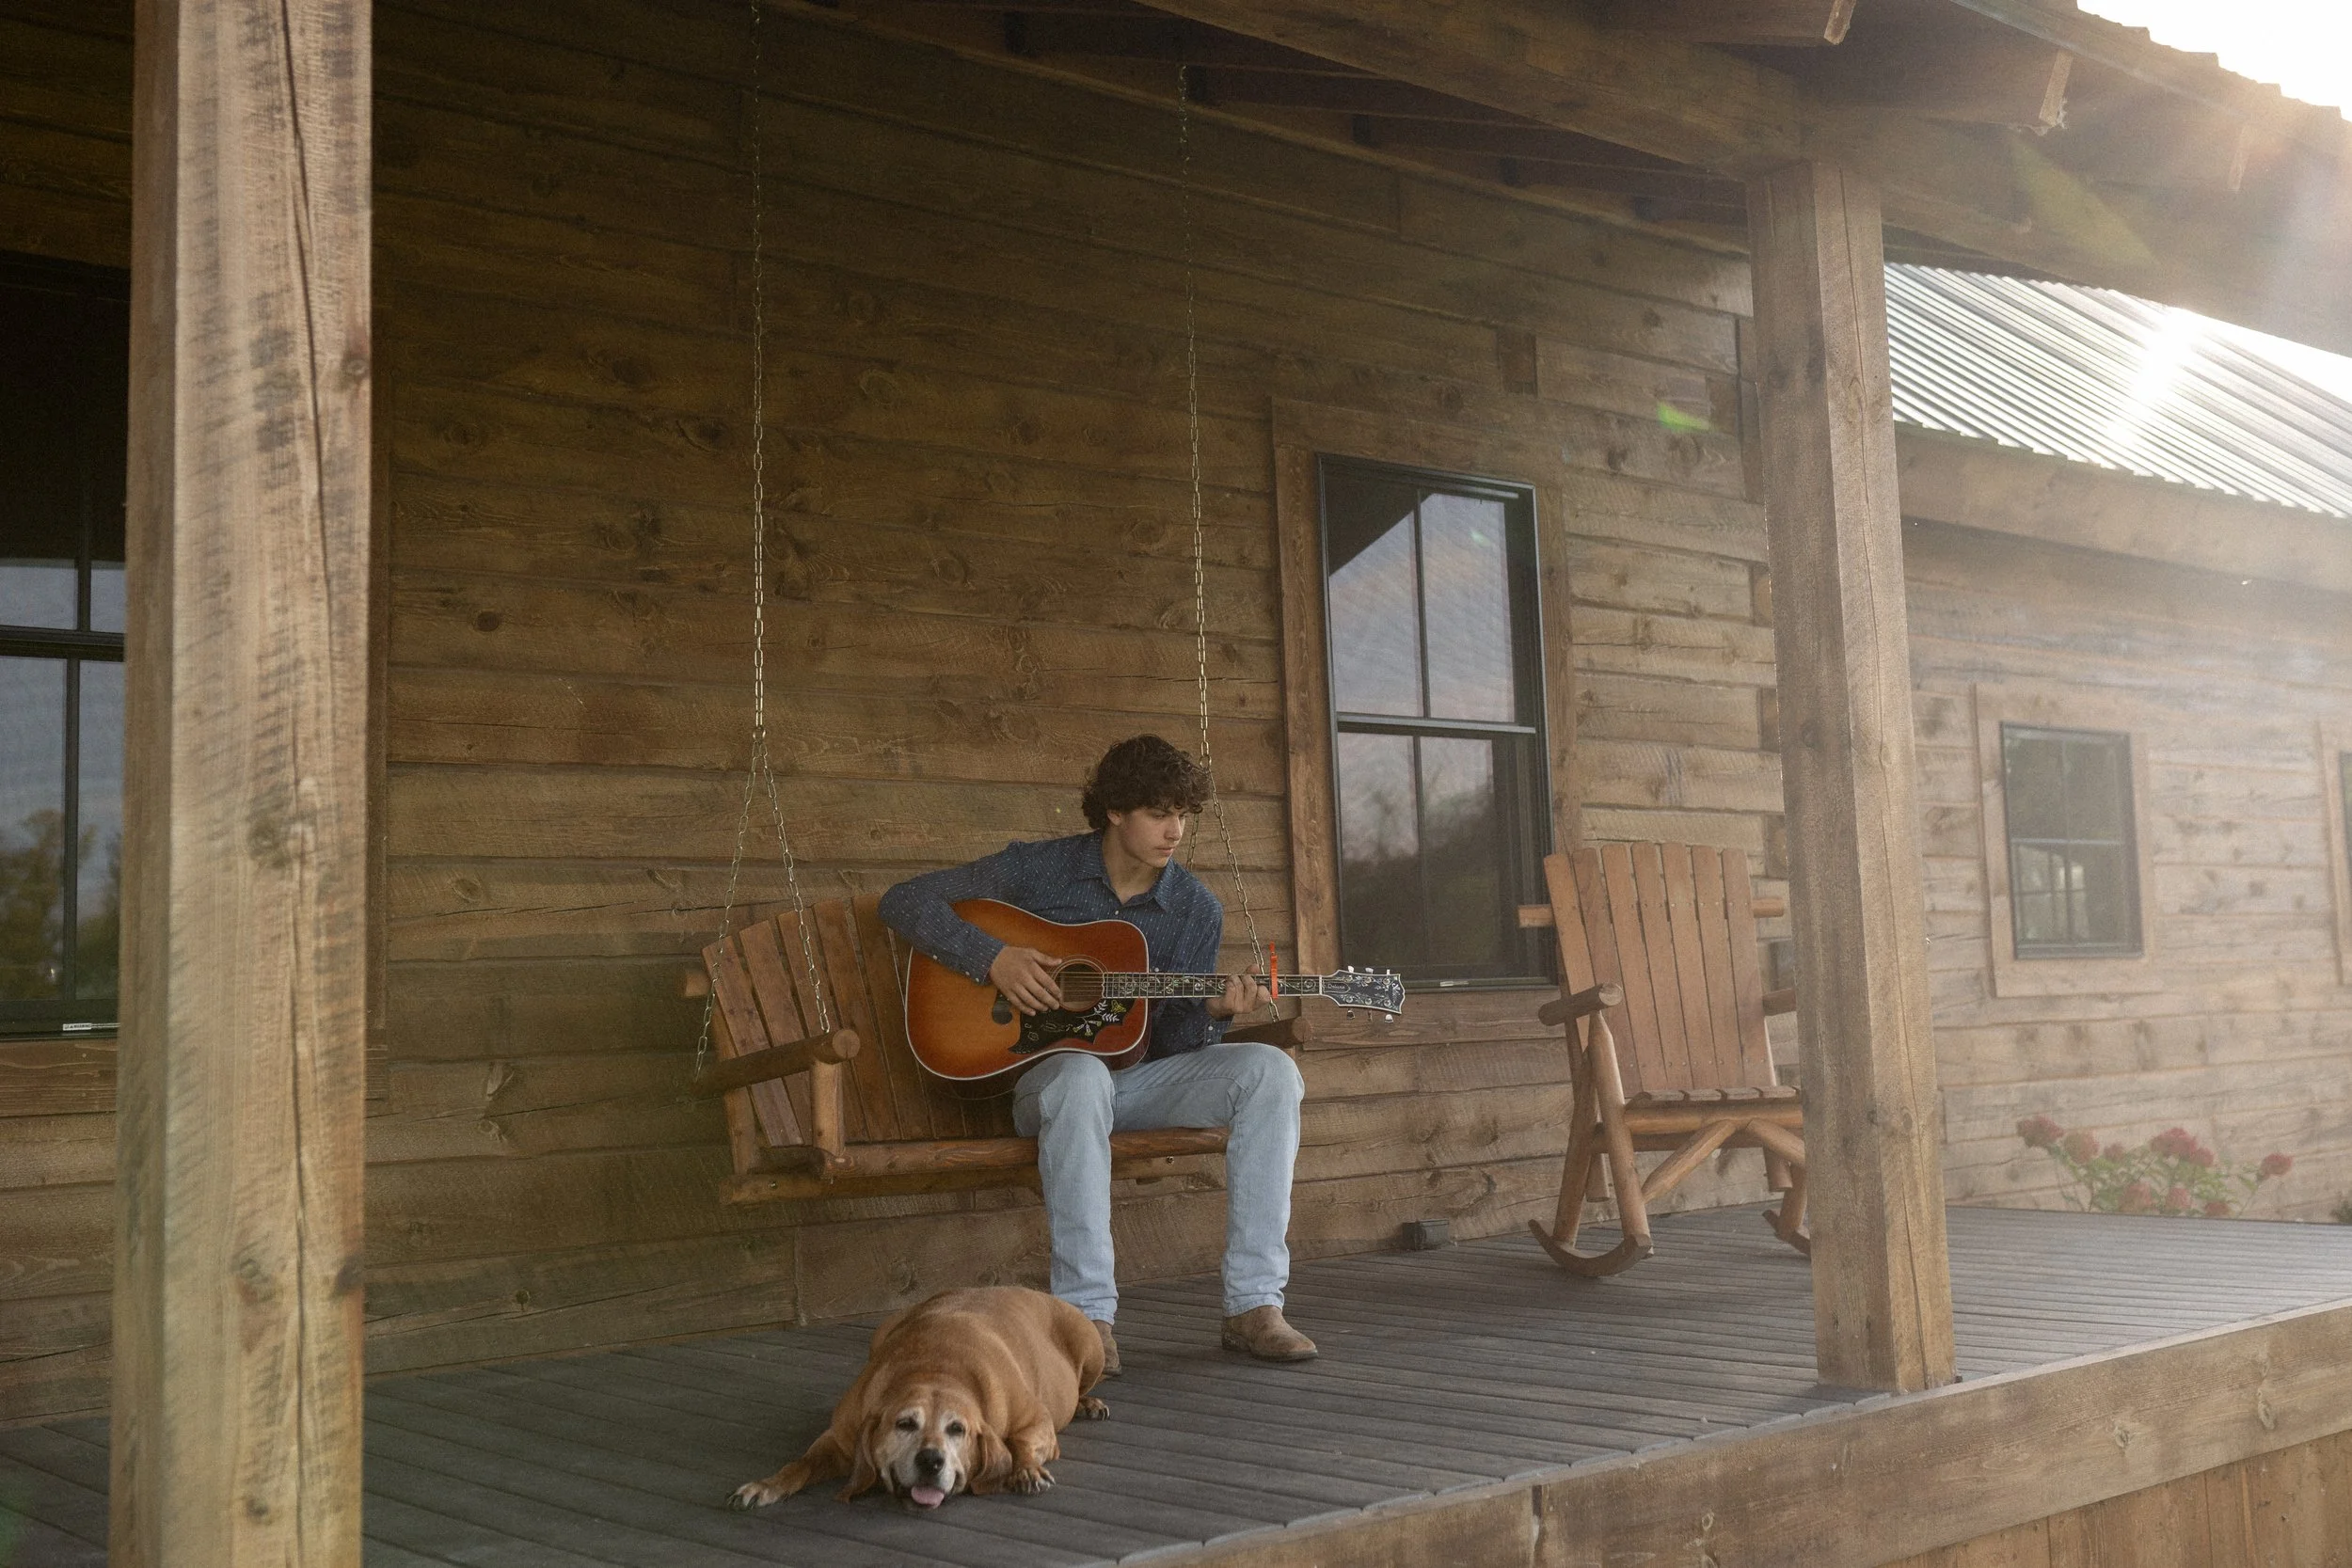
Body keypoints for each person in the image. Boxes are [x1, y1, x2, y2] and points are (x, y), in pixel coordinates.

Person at [877, 735, 1315, 1371]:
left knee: (1273, 1070)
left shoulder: (1194, 909)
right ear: (1115, 810)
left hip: (1131, 1086)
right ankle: (1086, 1319)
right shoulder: (1038, 870)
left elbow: (1164, 1047)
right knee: (1080, 1073)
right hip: (1043, 1087)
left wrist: (1211, 1012)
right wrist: (993, 957)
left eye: (1183, 815)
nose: (1174, 831)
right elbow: (905, 900)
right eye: (1158, 813)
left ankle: (1254, 1304)